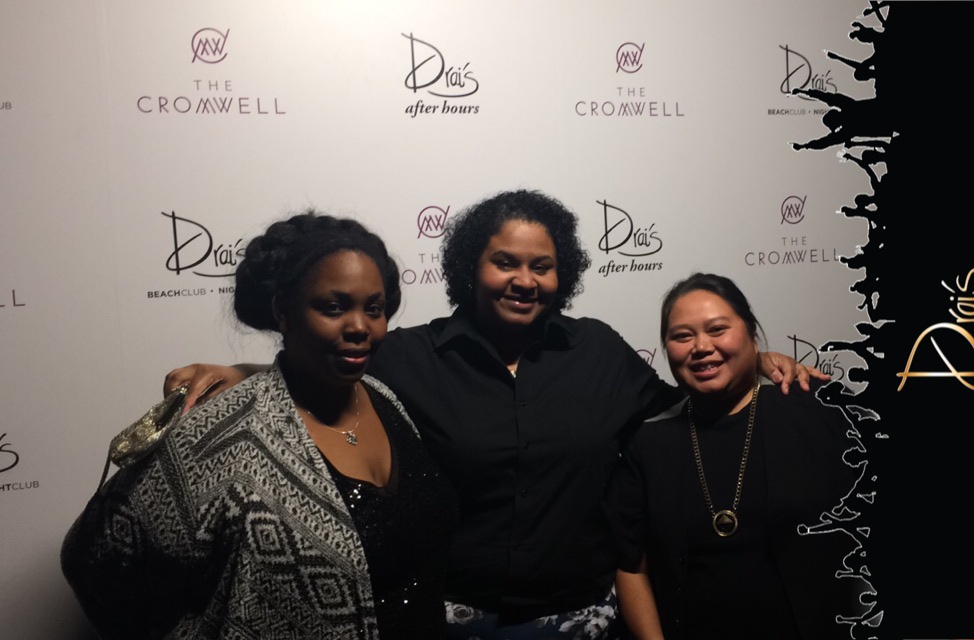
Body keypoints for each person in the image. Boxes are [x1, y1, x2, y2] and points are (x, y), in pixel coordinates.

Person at [164, 191, 821, 639]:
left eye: (542, 266)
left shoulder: (598, 351)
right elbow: (329, 369)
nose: (524, 279)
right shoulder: (411, 357)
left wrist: (753, 363)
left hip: (585, 622)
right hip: (449, 621)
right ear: (469, 266)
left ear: (563, 276)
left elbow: (684, 409)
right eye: (505, 262)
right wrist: (244, 374)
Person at [62, 213, 458, 639]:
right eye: (333, 307)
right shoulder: (224, 432)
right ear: (283, 312)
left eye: (373, 309)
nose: (360, 326)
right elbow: (96, 556)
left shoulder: (385, 398)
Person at [611, 273, 860, 640]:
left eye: (717, 329)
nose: (701, 346)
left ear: (752, 335)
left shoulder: (824, 411)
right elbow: (632, 567)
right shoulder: (648, 444)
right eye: (682, 336)